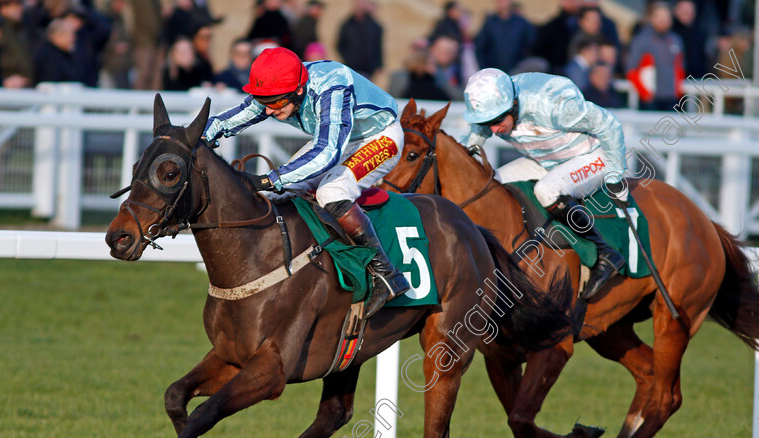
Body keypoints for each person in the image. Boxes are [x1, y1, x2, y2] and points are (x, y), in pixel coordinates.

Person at [202, 47, 410, 317]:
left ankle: (386, 274)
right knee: (279, 193)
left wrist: (269, 178)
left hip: (379, 136)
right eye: (264, 101)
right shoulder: (280, 87)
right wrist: (199, 135)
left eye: (275, 103)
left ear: (299, 90)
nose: (268, 109)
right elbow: (236, 116)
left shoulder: (331, 85)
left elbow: (327, 153)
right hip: (337, 139)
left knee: (331, 192)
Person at [460, 68, 626, 299]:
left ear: (514, 105)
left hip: (592, 157)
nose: (493, 130)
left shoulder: (552, 106)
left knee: (546, 191)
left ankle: (605, 251)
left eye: (497, 121)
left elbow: (609, 123)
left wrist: (615, 175)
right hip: (545, 161)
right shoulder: (493, 109)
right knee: (489, 186)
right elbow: (468, 148)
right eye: (487, 123)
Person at [625, 2, 685, 111]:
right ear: (651, 18)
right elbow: (631, 69)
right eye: (660, 16)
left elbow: (680, 67)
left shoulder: (675, 40)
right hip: (649, 100)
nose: (663, 20)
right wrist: (645, 93)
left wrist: (678, 91)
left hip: (671, 98)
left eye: (666, 17)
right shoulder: (641, 40)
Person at [474, 0, 534, 73]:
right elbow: (480, 48)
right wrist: (486, 70)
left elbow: (531, 43)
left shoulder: (520, 22)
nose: (502, 3)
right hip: (495, 72)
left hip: (517, 70)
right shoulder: (490, 23)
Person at [336, 0, 383, 79]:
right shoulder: (347, 25)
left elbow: (378, 46)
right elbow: (340, 45)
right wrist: (348, 58)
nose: (360, 7)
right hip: (351, 67)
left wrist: (378, 64)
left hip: (368, 68)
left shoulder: (374, 26)